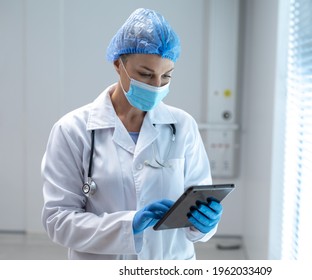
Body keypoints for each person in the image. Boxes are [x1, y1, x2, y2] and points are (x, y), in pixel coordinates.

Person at [41, 8, 223, 260]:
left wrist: (205, 224)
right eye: (145, 75)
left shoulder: (182, 126)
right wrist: (128, 225)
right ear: (118, 64)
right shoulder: (72, 130)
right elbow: (58, 221)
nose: (156, 86)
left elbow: (198, 206)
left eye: (166, 76)